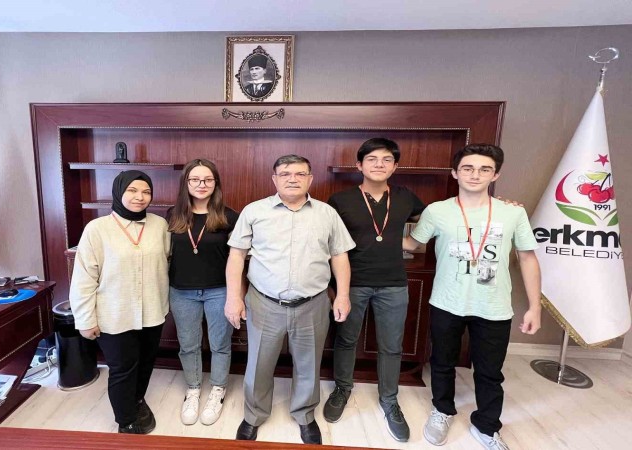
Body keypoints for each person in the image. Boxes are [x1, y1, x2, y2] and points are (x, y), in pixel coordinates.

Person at [403, 144, 542, 450]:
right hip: (447, 302)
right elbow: (411, 244)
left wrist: (535, 307)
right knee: (442, 363)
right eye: (467, 168)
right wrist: (369, 233)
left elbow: (528, 258)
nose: (475, 175)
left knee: (490, 372)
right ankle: (442, 410)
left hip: (494, 306)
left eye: (484, 169)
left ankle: (487, 427)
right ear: (455, 173)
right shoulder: (437, 210)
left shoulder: (513, 212)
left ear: (496, 175)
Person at [224, 154, 355, 445]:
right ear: (274, 179)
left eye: (299, 174)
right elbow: (236, 256)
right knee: (258, 364)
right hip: (264, 303)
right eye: (285, 174)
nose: (292, 179)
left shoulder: (326, 214)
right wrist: (234, 297)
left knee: (309, 364)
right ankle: (253, 416)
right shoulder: (254, 211)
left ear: (310, 179)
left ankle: (305, 415)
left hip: (313, 304)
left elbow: (339, 256)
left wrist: (343, 295)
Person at [325, 138, 425, 442]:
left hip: (393, 283)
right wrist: (333, 288)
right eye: (372, 159)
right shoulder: (340, 200)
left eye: (386, 159)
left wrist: (411, 243)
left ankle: (390, 400)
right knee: (346, 339)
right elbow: (329, 244)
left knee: (391, 345)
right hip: (351, 283)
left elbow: (434, 220)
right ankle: (342, 388)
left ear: (395, 166)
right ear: (359, 165)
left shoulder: (406, 198)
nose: (379, 164)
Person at [68, 170, 170, 435]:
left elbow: (168, 260)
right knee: (123, 368)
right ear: (118, 192)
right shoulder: (97, 229)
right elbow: (83, 278)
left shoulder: (159, 225)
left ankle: (137, 399)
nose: (140, 197)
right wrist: (85, 320)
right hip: (114, 313)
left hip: (152, 310)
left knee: (146, 362)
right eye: (132, 191)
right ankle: (126, 421)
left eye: (146, 192)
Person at [167, 159, 239, 426]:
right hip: (181, 292)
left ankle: (218, 390)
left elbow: (239, 259)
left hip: (219, 291)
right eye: (195, 179)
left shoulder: (230, 216)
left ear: (216, 183)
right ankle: (194, 389)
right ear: (185, 183)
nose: (201, 184)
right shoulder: (172, 215)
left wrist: (237, 295)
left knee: (220, 344)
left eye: (208, 179)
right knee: (188, 345)